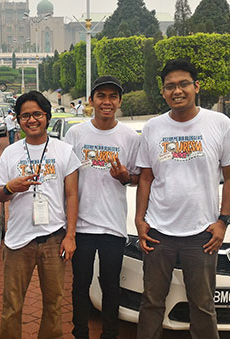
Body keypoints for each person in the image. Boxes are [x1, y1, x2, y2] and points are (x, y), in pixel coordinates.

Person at [135, 59, 230, 339]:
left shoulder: (219, 124)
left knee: (203, 305)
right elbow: (146, 178)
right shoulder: (152, 128)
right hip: (159, 232)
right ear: (163, 92)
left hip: (202, 234)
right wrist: (140, 219)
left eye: (183, 84)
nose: (177, 91)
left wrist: (223, 221)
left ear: (196, 86)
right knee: (151, 303)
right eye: (170, 86)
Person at [0, 90, 80, 339]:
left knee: (54, 305)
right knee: (11, 306)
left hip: (53, 239)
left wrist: (70, 236)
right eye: (25, 116)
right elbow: (0, 194)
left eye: (37, 114)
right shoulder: (10, 153)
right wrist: (12, 187)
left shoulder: (64, 151)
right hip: (18, 242)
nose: (31, 120)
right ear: (18, 120)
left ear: (47, 116)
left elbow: (72, 195)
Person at [64, 76, 141, 339]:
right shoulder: (76, 133)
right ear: (91, 101)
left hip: (113, 226)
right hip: (82, 225)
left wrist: (125, 178)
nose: (106, 102)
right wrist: (68, 229)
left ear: (119, 101)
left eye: (112, 97)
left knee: (111, 286)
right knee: (80, 285)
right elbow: (67, 177)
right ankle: (80, 333)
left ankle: (110, 334)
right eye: (101, 96)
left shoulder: (130, 137)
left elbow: (141, 177)